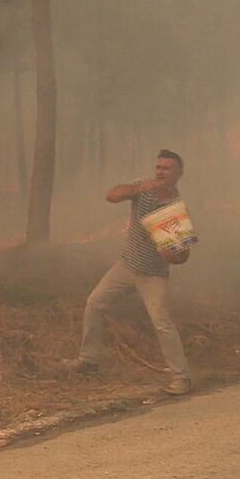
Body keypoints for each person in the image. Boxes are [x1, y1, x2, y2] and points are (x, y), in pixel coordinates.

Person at [64, 149, 193, 395]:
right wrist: (137, 189)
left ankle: (181, 377)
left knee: (162, 322)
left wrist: (168, 253)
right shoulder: (143, 189)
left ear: (179, 174)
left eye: (166, 168)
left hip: (153, 273)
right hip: (126, 265)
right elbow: (111, 195)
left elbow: (182, 256)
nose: (160, 172)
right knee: (94, 303)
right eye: (158, 167)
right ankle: (87, 360)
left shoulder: (175, 209)